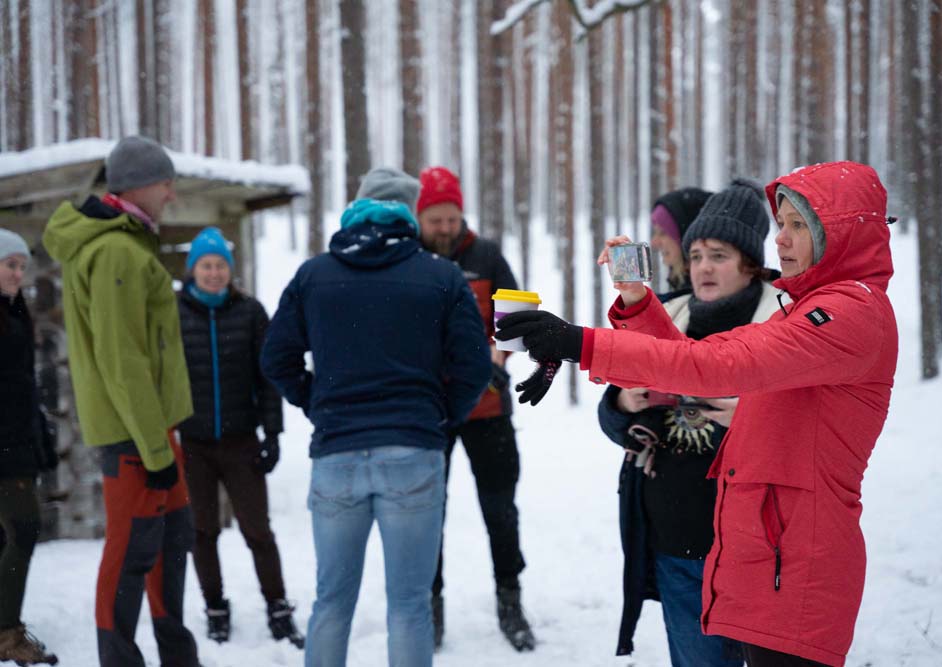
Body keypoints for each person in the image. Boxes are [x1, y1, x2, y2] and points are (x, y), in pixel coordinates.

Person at [497, 161, 898, 667]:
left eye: (801, 226)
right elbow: (690, 362)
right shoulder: (809, 306)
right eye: (783, 225)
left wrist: (581, 343)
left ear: (838, 232)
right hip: (768, 551)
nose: (783, 241)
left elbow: (716, 364)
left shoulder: (849, 314)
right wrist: (638, 302)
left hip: (796, 561)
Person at [260, 167, 491, 667]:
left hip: (337, 454)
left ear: (357, 207)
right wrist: (439, 417)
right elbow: (475, 367)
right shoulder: (441, 276)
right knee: (409, 605)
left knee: (332, 602)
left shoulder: (314, 275)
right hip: (413, 450)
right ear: (409, 214)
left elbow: (275, 359)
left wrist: (316, 403)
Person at [598, 180, 779, 665]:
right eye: (696, 254)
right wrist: (624, 406)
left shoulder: (783, 323)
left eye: (718, 255)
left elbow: (810, 427)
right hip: (677, 542)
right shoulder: (669, 313)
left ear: (750, 263)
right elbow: (614, 419)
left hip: (758, 550)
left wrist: (753, 415)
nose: (702, 267)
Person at [42, 136, 200, 667]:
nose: (171, 196)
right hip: (134, 433)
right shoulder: (114, 251)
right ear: (139, 185)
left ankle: (177, 655)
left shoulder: (129, 243)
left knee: (172, 540)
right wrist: (154, 450)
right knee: (132, 551)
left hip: (157, 429)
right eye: (165, 184)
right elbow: (122, 358)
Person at [415, 165, 536, 651]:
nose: (444, 228)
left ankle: (511, 599)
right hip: (429, 412)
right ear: (419, 218)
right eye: (435, 220)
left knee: (500, 511)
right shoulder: (409, 258)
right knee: (427, 514)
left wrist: (499, 356)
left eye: (451, 218)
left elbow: (521, 314)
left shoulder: (486, 255)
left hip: (488, 409)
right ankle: (431, 604)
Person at [175, 226, 302, 648]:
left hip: (241, 440)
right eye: (206, 266)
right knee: (202, 530)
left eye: (220, 266)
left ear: (230, 270)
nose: (214, 273)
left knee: (257, 530)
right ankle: (215, 607)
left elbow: (267, 377)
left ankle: (278, 607)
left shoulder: (250, 312)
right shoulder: (174, 312)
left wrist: (273, 433)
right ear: (193, 270)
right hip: (192, 443)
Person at [0, 230, 59, 666]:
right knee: (24, 529)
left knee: (13, 532)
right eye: (9, 264)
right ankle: (6, 634)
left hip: (19, 441)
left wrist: (40, 439)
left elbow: (22, 386)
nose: (18, 273)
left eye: (22, 265)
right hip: (4, 443)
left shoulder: (15, 311)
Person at [649, 187, 713, 291]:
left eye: (663, 233)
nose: (654, 243)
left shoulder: (704, 298)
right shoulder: (683, 290)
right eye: (655, 233)